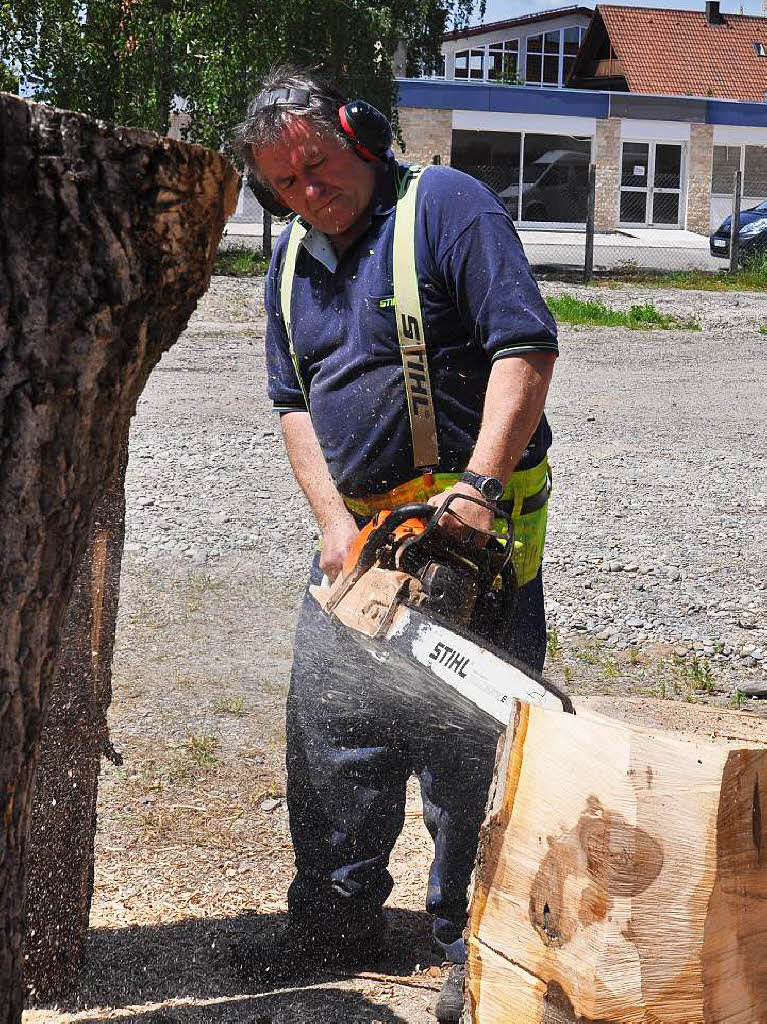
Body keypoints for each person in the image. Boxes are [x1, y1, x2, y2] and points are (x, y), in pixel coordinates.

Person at [232, 65, 558, 1022]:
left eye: (318, 166)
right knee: (332, 733)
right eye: (284, 182)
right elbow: (293, 404)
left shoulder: (444, 208)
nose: (308, 192)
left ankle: (474, 944)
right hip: (363, 537)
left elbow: (523, 348)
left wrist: (477, 492)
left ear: (361, 135)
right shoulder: (290, 256)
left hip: (467, 533)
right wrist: (334, 526)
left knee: (471, 749)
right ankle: (333, 926)